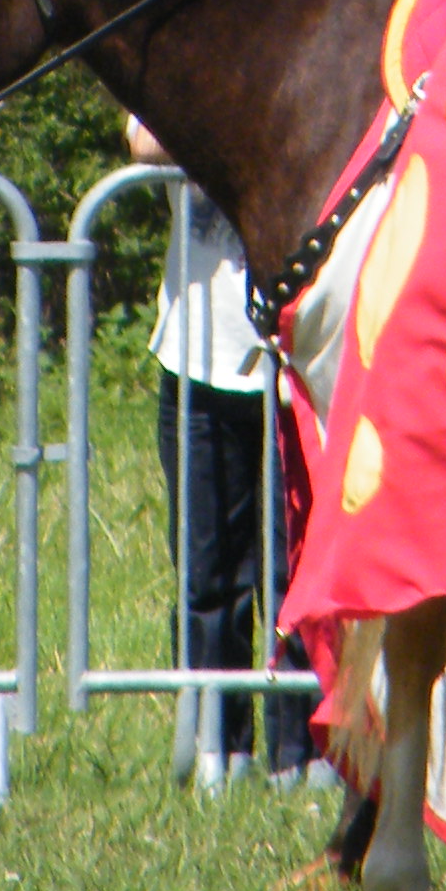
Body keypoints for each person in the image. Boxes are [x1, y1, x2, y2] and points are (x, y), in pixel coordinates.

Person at [125, 118, 315, 794]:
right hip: (198, 354)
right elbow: (143, 139)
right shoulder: (194, 64)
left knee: (297, 572)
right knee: (207, 570)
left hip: (301, 368)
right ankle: (218, 747)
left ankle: (303, 751)